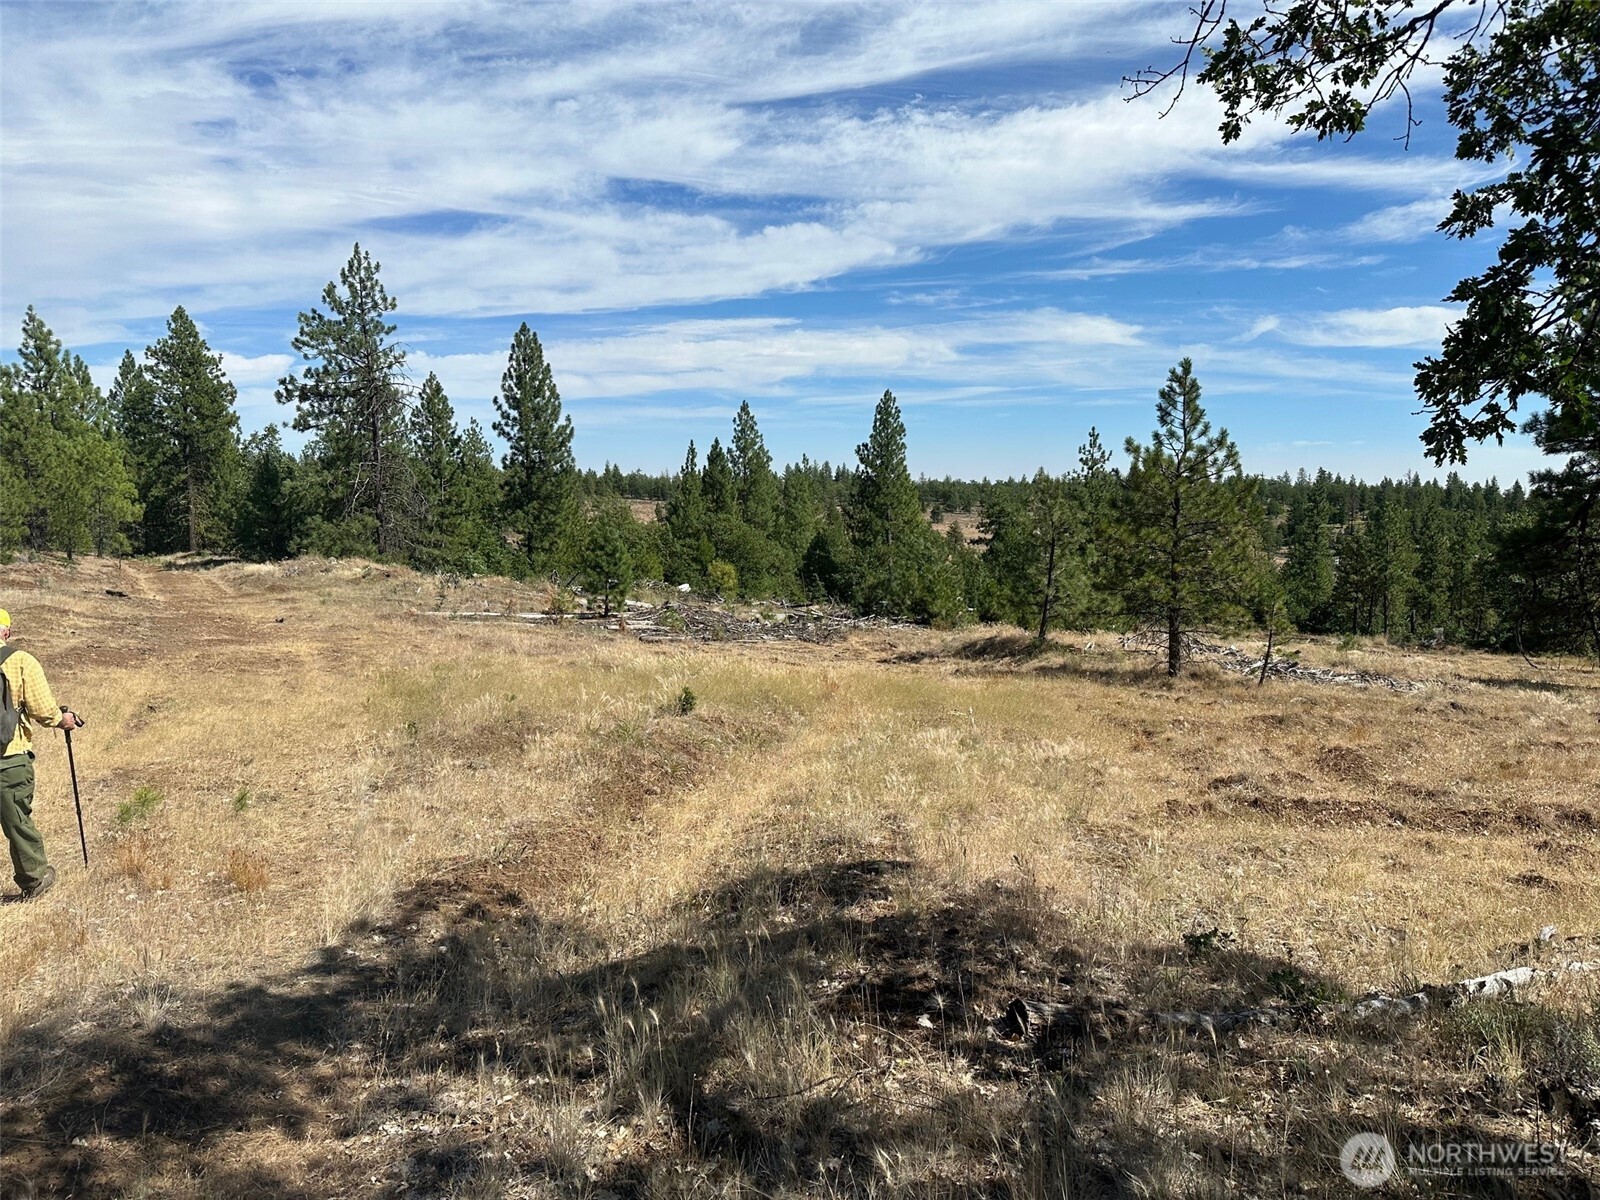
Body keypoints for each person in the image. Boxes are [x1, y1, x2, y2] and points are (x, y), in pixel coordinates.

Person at [0, 609, 79, 900]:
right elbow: (45, 711)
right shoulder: (21, 661)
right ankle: (34, 880)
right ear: (6, 632)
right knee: (17, 822)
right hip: (8, 759)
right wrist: (64, 720)